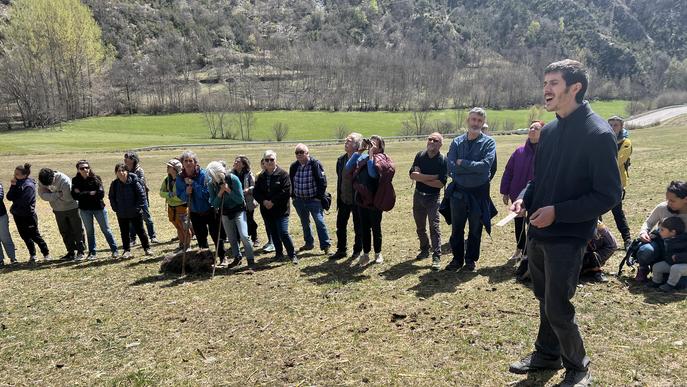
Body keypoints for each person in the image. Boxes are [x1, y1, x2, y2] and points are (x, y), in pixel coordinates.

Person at [509, 59, 621, 387]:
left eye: (554, 83)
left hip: (569, 234)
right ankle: (546, 354)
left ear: (575, 88)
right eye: (545, 82)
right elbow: (541, 179)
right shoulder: (551, 130)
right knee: (546, 299)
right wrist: (525, 198)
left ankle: (578, 365)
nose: (546, 88)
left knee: (558, 305)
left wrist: (558, 211)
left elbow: (609, 194)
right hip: (539, 230)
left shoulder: (598, 133)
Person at [445, 107, 496, 272]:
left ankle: (470, 261)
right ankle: (457, 259)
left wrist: (463, 163)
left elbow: (486, 166)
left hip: (478, 193)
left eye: (479, 121)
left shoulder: (489, 142)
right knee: (457, 229)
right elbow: (451, 166)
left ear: (483, 123)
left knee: (475, 229)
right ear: (468, 121)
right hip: (458, 193)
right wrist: (469, 167)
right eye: (473, 119)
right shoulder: (457, 142)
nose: (476, 123)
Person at [346, 135, 394, 265]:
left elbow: (373, 174)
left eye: (374, 144)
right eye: (370, 143)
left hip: (375, 199)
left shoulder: (382, 159)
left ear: (380, 147)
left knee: (376, 227)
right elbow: (348, 168)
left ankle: (378, 253)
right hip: (362, 199)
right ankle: (366, 253)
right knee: (364, 227)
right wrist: (359, 152)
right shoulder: (362, 157)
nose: (371, 145)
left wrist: (371, 155)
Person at [500, 121, 543, 262]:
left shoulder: (545, 152)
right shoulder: (519, 151)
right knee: (519, 224)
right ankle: (519, 250)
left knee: (533, 225)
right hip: (516, 195)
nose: (532, 130)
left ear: (542, 132)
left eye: (536, 128)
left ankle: (531, 253)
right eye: (531, 127)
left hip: (536, 197)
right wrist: (505, 191)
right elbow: (508, 171)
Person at [175, 151, 226, 262]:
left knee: (215, 234)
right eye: (186, 161)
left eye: (190, 161)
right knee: (201, 237)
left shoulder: (203, 174)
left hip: (210, 209)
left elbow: (206, 194)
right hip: (194, 212)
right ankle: (207, 260)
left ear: (195, 163)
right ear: (182, 163)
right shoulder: (180, 177)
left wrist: (194, 184)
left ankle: (222, 257)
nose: (188, 163)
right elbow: (180, 195)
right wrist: (186, 193)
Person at [409, 132, 448, 271]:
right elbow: (413, 175)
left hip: (433, 198)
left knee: (434, 226)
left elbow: (440, 184)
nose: (431, 141)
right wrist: (432, 177)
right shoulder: (420, 155)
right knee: (420, 226)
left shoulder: (443, 160)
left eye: (435, 140)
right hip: (418, 196)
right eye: (429, 139)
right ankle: (424, 249)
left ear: (440, 144)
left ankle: (436, 256)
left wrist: (421, 177)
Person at [634, 180, 687, 282]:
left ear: (685, 199)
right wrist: (644, 232)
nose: (668, 203)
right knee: (645, 251)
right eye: (667, 199)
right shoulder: (663, 208)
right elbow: (648, 223)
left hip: (682, 251)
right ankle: (643, 268)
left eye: (672, 201)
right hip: (662, 244)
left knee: (680, 283)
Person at [207, 161, 255, 269]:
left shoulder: (233, 179)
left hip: (238, 210)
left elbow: (239, 199)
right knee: (231, 237)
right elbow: (214, 203)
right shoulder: (211, 184)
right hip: (225, 212)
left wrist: (228, 190)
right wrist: (220, 193)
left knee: (244, 235)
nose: (214, 178)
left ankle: (251, 259)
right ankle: (237, 257)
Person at [254, 150, 297, 263]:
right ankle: (279, 254)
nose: (269, 162)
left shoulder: (283, 174)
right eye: (266, 160)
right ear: (263, 161)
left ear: (275, 160)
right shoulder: (261, 176)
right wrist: (263, 201)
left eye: (271, 159)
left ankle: (292, 255)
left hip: (281, 210)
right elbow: (256, 192)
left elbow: (286, 191)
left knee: (283, 232)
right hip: (267, 211)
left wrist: (272, 201)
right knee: (273, 232)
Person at [289, 143, 332, 255]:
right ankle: (309, 243)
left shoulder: (315, 164)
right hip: (299, 200)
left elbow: (323, 182)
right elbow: (291, 183)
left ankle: (326, 245)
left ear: (307, 153)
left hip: (314, 200)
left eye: (301, 152)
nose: (299, 154)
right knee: (304, 223)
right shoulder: (294, 166)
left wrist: (318, 197)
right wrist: (293, 197)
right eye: (297, 152)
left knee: (319, 222)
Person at [71, 160, 119, 260]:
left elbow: (100, 194)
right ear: (78, 170)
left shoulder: (96, 178)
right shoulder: (75, 180)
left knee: (106, 230)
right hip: (85, 210)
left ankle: (115, 250)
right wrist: (90, 193)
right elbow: (75, 196)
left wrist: (83, 193)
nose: (85, 170)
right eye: (82, 168)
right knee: (89, 231)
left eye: (87, 167)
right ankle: (92, 253)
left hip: (98, 209)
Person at [38, 167, 86, 260]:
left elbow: (67, 198)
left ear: (53, 177)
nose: (49, 185)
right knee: (64, 231)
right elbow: (42, 195)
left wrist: (51, 196)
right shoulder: (43, 180)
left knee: (77, 230)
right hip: (57, 210)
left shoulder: (64, 180)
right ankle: (71, 252)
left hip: (72, 208)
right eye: (46, 185)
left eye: (50, 183)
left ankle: (81, 251)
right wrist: (57, 194)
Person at [6, 164, 50, 263]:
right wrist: (13, 186)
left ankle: (46, 253)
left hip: (28, 215)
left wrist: (15, 198)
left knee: (34, 235)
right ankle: (33, 255)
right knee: (24, 236)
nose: (14, 175)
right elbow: (9, 197)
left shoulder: (28, 185)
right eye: (14, 173)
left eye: (17, 174)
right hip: (18, 215)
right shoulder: (16, 183)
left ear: (24, 175)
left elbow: (25, 202)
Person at [330, 133, 363, 260]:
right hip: (344, 198)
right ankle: (341, 250)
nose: (346, 142)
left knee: (358, 226)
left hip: (357, 199)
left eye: (350, 140)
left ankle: (357, 250)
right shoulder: (340, 160)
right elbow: (340, 179)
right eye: (346, 140)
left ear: (357, 145)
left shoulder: (362, 160)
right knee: (341, 225)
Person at [108, 163, 152, 258]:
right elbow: (111, 197)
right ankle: (126, 251)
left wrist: (137, 208)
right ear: (116, 173)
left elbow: (142, 196)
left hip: (135, 212)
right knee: (124, 232)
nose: (121, 173)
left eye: (123, 170)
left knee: (140, 231)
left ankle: (147, 248)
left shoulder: (134, 182)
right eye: (118, 171)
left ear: (127, 171)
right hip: (122, 213)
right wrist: (115, 208)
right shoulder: (115, 184)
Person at [606, 115, 633, 249]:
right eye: (610, 124)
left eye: (615, 125)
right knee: (595, 212)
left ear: (621, 127)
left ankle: (627, 239)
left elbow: (617, 162)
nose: (612, 127)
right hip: (600, 181)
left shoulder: (626, 142)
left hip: (616, 182)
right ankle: (599, 240)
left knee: (617, 212)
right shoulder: (603, 139)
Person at [124, 151, 158, 244]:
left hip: (140, 198)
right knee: (131, 220)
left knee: (147, 217)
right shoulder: (124, 170)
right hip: (130, 199)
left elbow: (140, 183)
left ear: (133, 160)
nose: (125, 159)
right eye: (125, 157)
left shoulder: (139, 170)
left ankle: (152, 236)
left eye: (128, 158)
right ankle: (132, 239)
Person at [648, 217, 687, 292]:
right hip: (672, 263)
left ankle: (670, 285)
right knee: (657, 267)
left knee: (676, 269)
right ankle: (656, 282)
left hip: (684, 265)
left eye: (662, 230)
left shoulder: (684, 240)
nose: (659, 231)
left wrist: (679, 257)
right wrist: (653, 234)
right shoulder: (666, 237)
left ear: (672, 232)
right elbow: (657, 233)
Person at [159, 159, 191, 253]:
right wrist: (170, 195)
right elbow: (161, 193)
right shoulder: (166, 179)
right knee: (178, 226)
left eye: (169, 166)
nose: (167, 168)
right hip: (171, 207)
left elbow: (182, 196)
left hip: (182, 207)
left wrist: (172, 196)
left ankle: (188, 246)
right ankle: (182, 245)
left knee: (185, 227)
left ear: (175, 169)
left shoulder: (182, 180)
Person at [232, 155, 260, 249]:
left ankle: (255, 238)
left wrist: (248, 190)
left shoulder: (248, 174)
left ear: (243, 165)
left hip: (248, 201)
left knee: (249, 220)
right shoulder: (231, 174)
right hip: (236, 202)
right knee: (238, 222)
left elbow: (255, 186)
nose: (235, 163)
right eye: (235, 161)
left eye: (238, 162)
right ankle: (239, 241)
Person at [0, 180, 18, 266]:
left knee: (5, 237)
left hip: (1, 216)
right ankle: (0, 260)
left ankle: (13, 258)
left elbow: (0, 197)